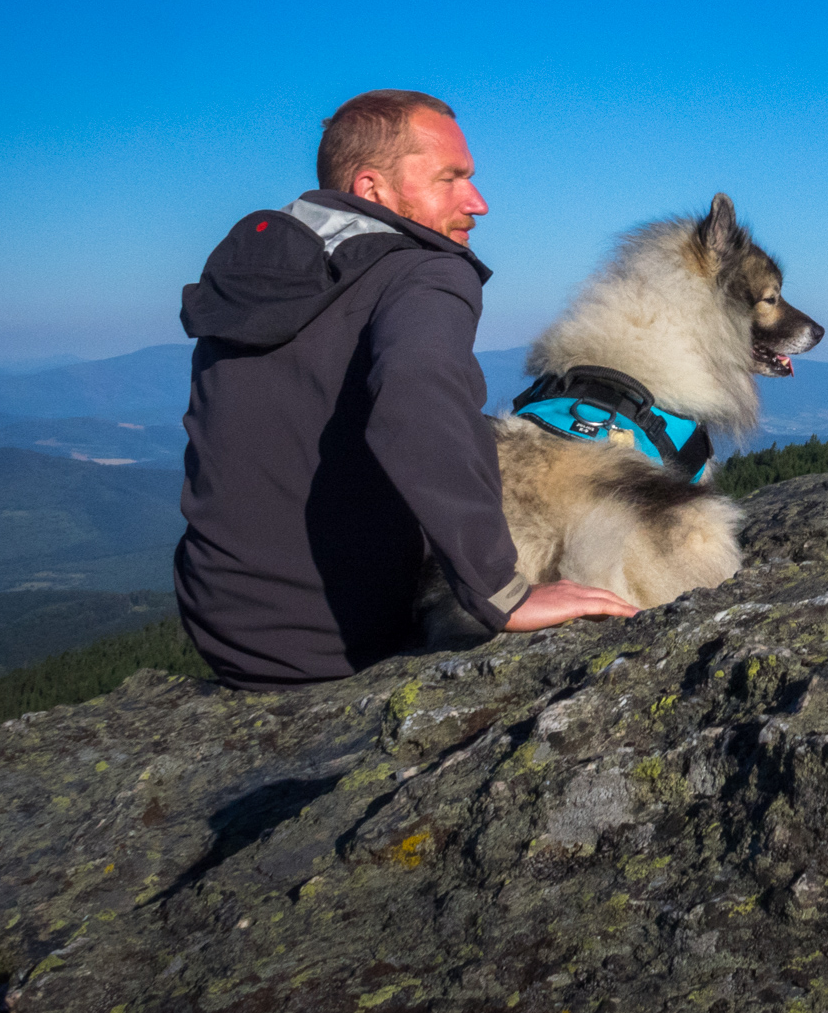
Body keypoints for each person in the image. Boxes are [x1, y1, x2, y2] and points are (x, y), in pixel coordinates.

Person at [174, 89, 636, 690]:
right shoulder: (425, 271)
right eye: (451, 179)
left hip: (222, 622)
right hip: (343, 634)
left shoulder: (256, 277)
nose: (478, 202)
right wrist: (502, 592)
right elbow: (417, 398)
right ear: (372, 191)